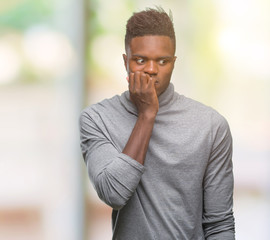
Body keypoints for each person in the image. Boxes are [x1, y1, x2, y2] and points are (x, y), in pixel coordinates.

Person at [79, 7, 235, 239]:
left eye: (162, 61)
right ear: (126, 61)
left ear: (173, 62)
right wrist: (147, 115)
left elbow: (219, 224)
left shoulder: (211, 126)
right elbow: (113, 194)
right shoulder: (97, 118)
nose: (151, 70)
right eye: (141, 60)